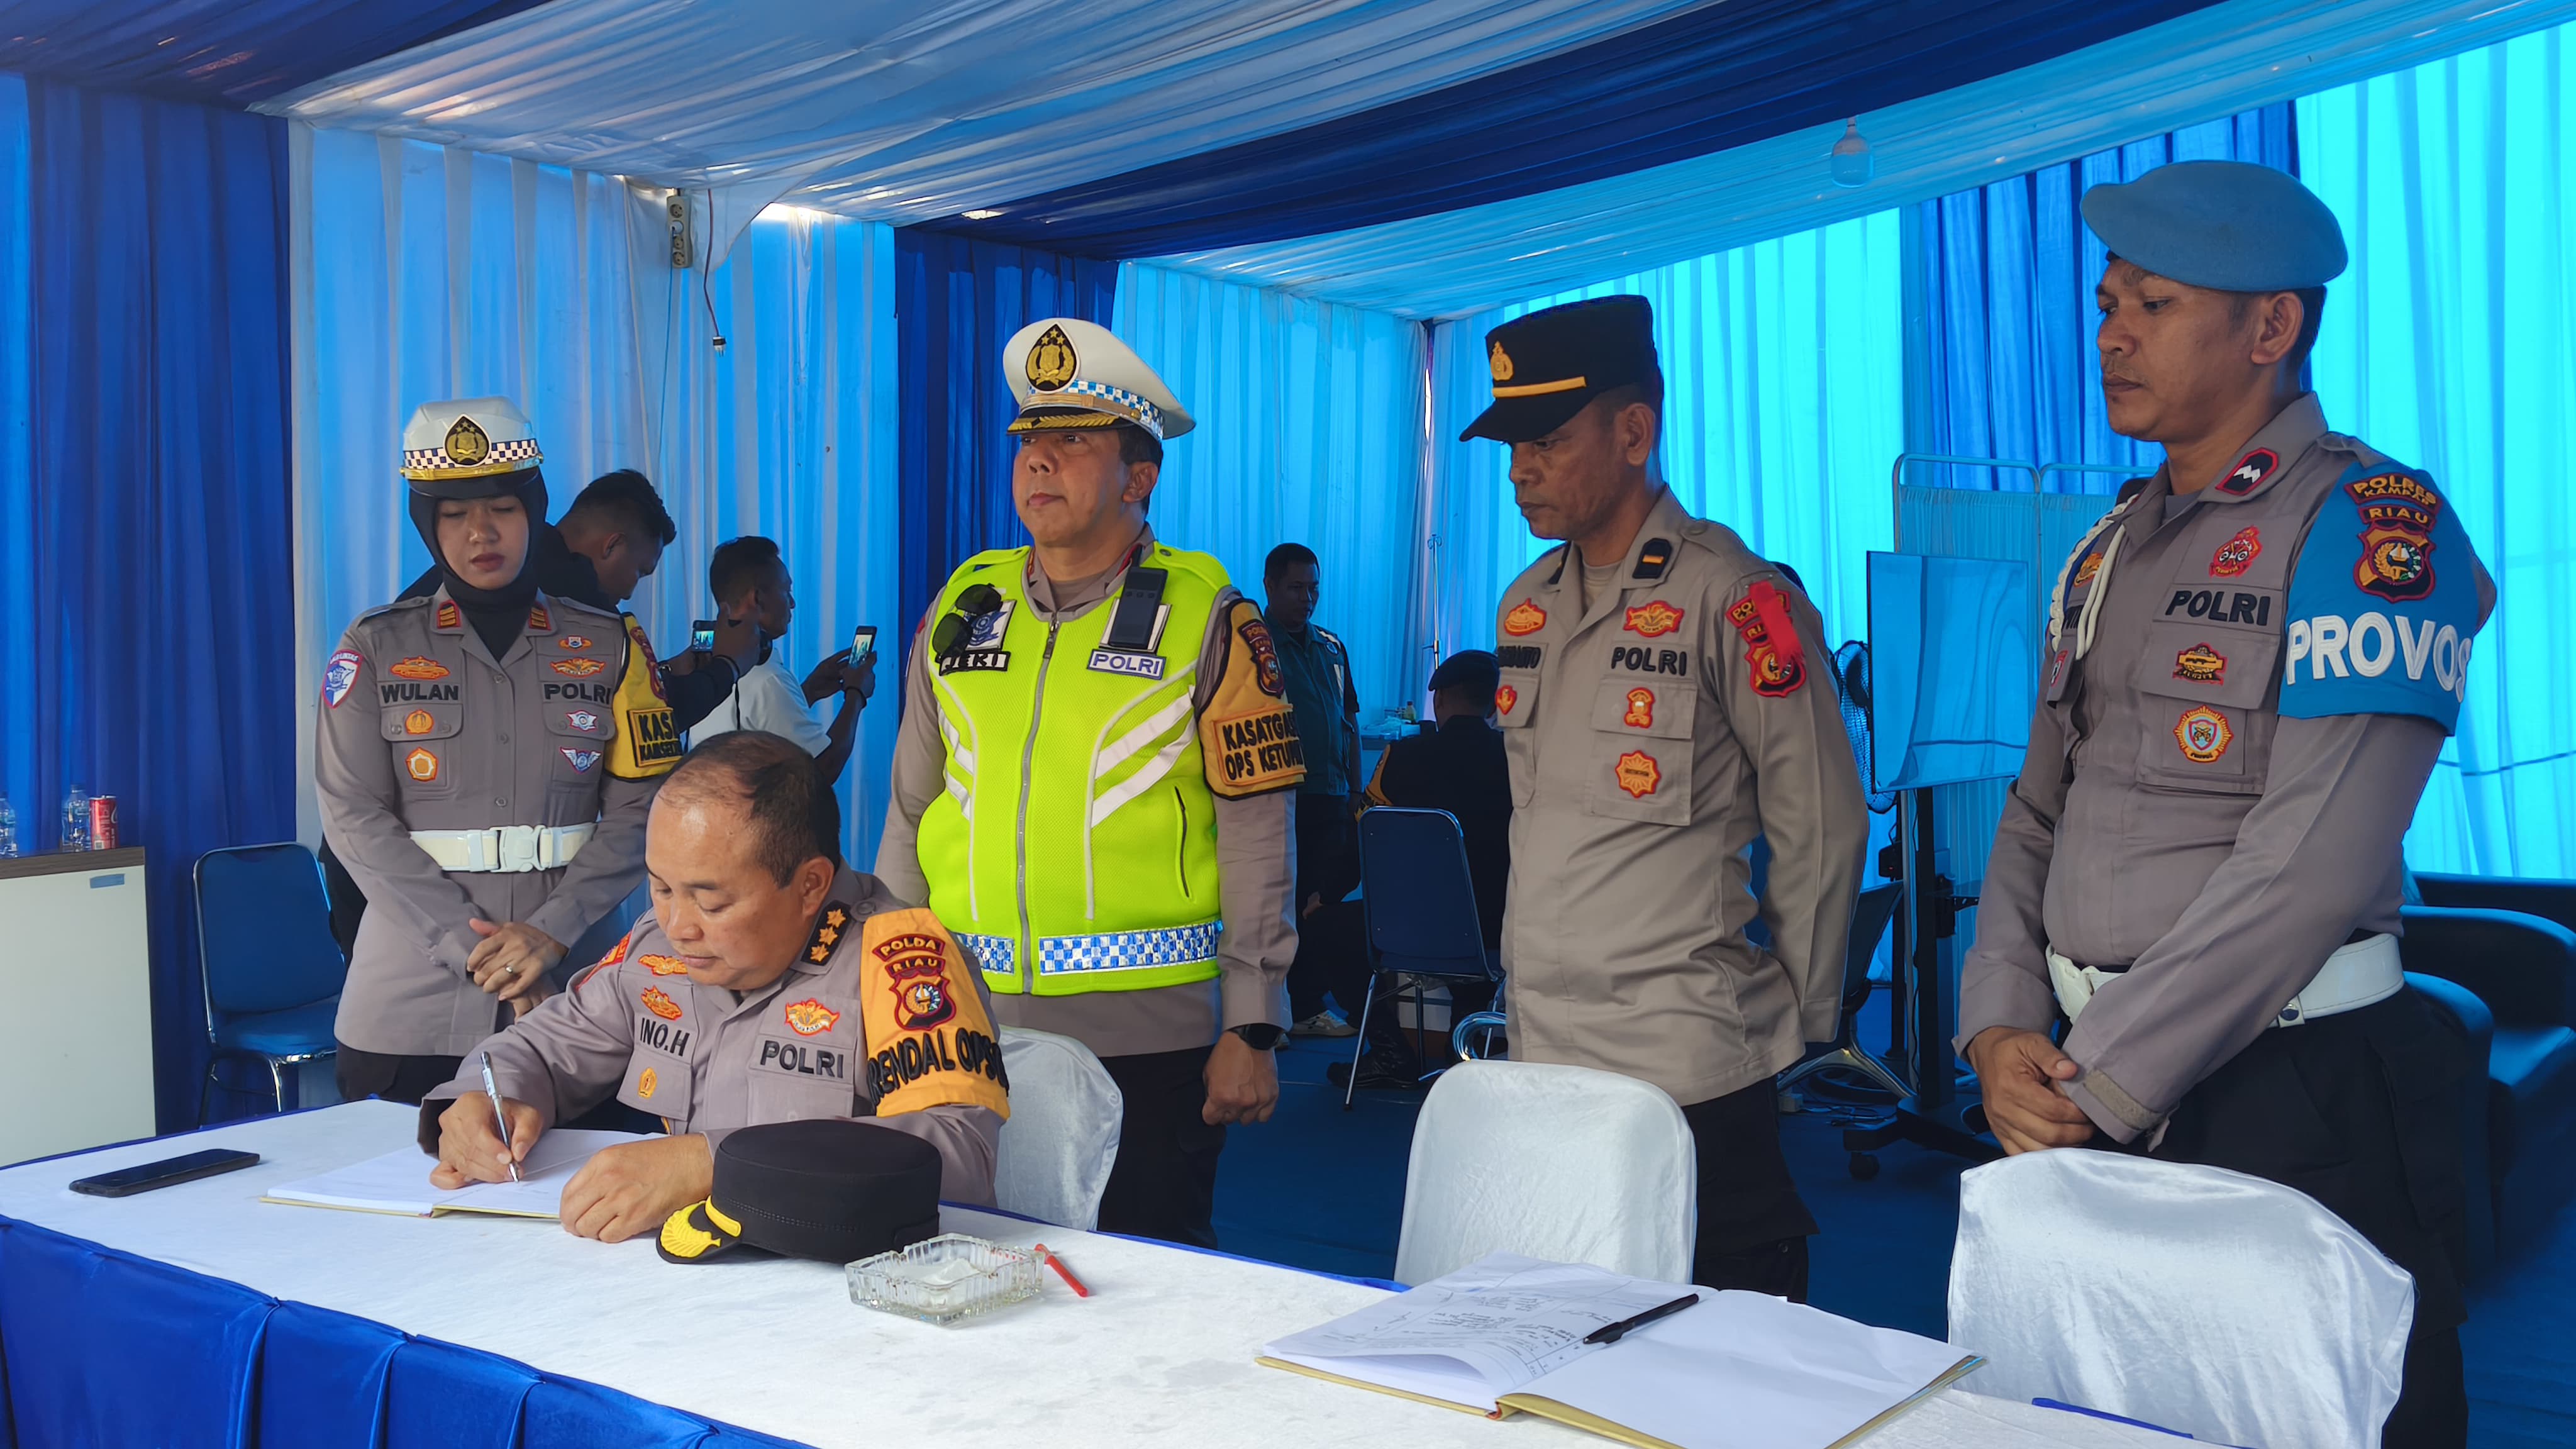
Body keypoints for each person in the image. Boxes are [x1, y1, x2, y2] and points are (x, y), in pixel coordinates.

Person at [1956, 161, 2489, 1448]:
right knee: (2107, 1416)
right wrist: (1998, 1027)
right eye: (2105, 304)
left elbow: (2310, 863)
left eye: (2153, 304)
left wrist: (2101, 1074)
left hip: (2287, 1086)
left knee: (2325, 1419)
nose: (2109, 335)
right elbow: (2035, 809)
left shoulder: (2371, 528)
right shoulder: (2107, 546)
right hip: (2087, 1079)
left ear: (2270, 326)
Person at [1466, 296, 1867, 1299]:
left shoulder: (1735, 597)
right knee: (1565, 1329)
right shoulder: (1526, 606)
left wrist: (1801, 1014)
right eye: (1512, 446)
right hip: (1545, 1053)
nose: (1519, 470)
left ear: (1634, 431)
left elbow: (1819, 817)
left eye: (1547, 441)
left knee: (1724, 1340)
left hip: (1686, 1058)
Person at [877, 316, 1300, 1249]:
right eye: (1029, 440)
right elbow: (911, 811)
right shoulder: (964, 605)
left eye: (1073, 441)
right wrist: (886, 992)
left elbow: (1258, 834)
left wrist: (1253, 1024)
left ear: (1139, 478)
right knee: (963, 1266)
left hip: (1150, 1043)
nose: (1039, 460)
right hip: (964, 1026)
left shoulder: (1210, 617)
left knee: (1145, 1283)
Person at [423, 731, 1008, 1241]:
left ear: (810, 885)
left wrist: (713, 1165)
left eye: (712, 901)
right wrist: (480, 1101)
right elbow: (541, 1047)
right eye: (661, 888)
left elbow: (958, 1157)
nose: (678, 926)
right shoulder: (658, 948)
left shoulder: (903, 962)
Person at [318, 397, 680, 1106]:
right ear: (427, 525)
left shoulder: (610, 644)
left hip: (579, 992)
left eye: (503, 510)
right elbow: (353, 816)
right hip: (410, 1008)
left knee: (593, 1180)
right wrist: (480, 953)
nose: (480, 532)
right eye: (454, 514)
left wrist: (549, 936)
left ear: (534, 512)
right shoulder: (375, 646)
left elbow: (646, 810)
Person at [328, 469, 738, 960]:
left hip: (464, 913)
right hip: (410, 897)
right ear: (612, 545)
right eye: (639, 571)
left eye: (504, 511)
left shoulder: (588, 622)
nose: (482, 533)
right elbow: (658, 719)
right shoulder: (565, 591)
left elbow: (633, 774)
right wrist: (728, 666)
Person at [1330, 648, 1513, 1090]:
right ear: (1494, 703)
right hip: (1498, 931)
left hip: (1408, 932)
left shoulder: (1401, 757)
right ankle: (1465, 1047)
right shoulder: (1520, 761)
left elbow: (1364, 836)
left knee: (1330, 930)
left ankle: (1391, 1053)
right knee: (1483, 920)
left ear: (1440, 699)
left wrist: (1327, 894)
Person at [1264, 541, 1363, 1038]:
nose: (1307, 599)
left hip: (1331, 795)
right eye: (1296, 588)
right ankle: (1267, 1014)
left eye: (1313, 589)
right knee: (1273, 908)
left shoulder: (1331, 647)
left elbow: (1349, 722)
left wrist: (1356, 792)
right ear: (1270, 586)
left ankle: (1307, 1007)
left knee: (1318, 905)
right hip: (1276, 799)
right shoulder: (1252, 644)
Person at [687, 536, 877, 786]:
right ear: (757, 599)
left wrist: (808, 691)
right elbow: (822, 770)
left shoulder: (706, 669)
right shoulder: (768, 680)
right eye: (787, 591)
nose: (793, 603)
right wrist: (856, 694)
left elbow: (756, 729)